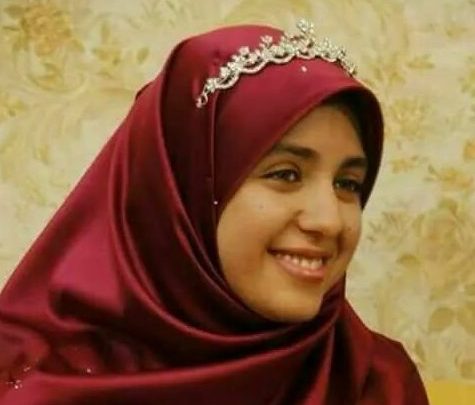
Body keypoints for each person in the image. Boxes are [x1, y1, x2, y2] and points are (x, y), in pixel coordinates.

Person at [0, 19, 429, 404]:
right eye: (286, 174)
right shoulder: (38, 379)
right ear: (183, 191)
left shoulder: (377, 383)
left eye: (347, 184)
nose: (329, 221)